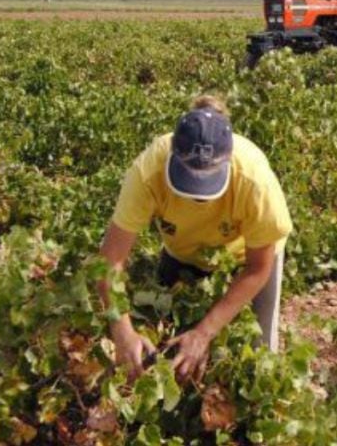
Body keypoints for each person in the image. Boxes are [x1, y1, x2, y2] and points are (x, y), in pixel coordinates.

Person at [98, 95, 292, 382]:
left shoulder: (255, 182)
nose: (197, 198)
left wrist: (205, 332)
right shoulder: (148, 171)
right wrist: (122, 330)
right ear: (173, 155)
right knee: (164, 348)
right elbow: (111, 260)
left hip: (244, 260)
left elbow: (258, 268)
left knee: (259, 353)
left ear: (228, 162)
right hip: (182, 252)